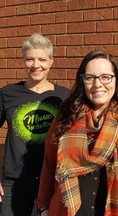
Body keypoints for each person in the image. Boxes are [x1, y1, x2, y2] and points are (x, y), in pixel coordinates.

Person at [37, 50, 118, 216]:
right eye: (90, 78)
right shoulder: (65, 118)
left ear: (117, 80)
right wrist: (43, 206)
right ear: (82, 81)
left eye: (106, 77)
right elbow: (49, 164)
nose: (97, 84)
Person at [0, 33, 70, 215]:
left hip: (52, 181)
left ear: (51, 61)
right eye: (30, 59)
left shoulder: (64, 97)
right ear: (23, 61)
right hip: (14, 182)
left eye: (42, 59)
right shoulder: (8, 93)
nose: (36, 65)